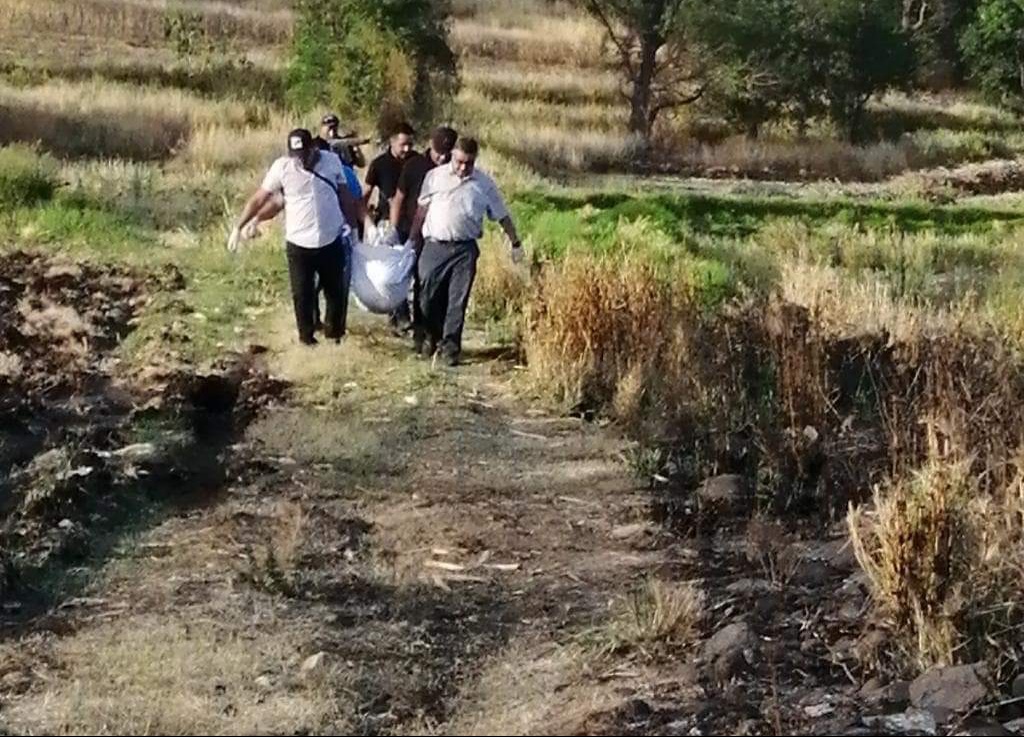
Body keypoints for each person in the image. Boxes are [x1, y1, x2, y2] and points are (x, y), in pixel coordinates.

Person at [228, 128, 363, 346]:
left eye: (304, 155)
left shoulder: (331, 162)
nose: (301, 161)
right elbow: (260, 199)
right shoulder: (282, 168)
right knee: (302, 293)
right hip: (299, 242)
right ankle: (306, 338)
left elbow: (345, 196)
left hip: (330, 237)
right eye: (296, 156)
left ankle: (334, 335)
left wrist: (353, 228)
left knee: (335, 291)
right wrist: (239, 226)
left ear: (313, 149)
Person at [409, 137, 523, 366]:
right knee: (427, 296)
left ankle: (450, 348)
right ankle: (429, 336)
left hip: (464, 250)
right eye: (459, 162)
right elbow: (422, 210)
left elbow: (502, 215)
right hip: (434, 245)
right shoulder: (435, 177)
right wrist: (412, 240)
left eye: (469, 163)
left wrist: (515, 243)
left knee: (457, 301)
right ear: (452, 156)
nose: (463, 168)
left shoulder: (484, 184)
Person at [389, 126, 457, 352]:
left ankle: (433, 334)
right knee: (416, 283)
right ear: (430, 145)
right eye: (439, 152)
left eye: (447, 153)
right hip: (411, 231)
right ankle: (416, 329)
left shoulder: (455, 169)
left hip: (437, 236)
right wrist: (394, 229)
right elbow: (399, 198)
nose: (443, 158)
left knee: (433, 288)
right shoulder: (414, 165)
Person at [364, 121, 417, 331]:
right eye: (403, 144)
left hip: (413, 222)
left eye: (410, 144)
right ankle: (400, 316)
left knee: (412, 270)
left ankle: (411, 316)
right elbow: (366, 194)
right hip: (387, 223)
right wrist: (366, 220)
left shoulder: (417, 162)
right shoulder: (379, 164)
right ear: (392, 142)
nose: (407, 149)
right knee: (393, 272)